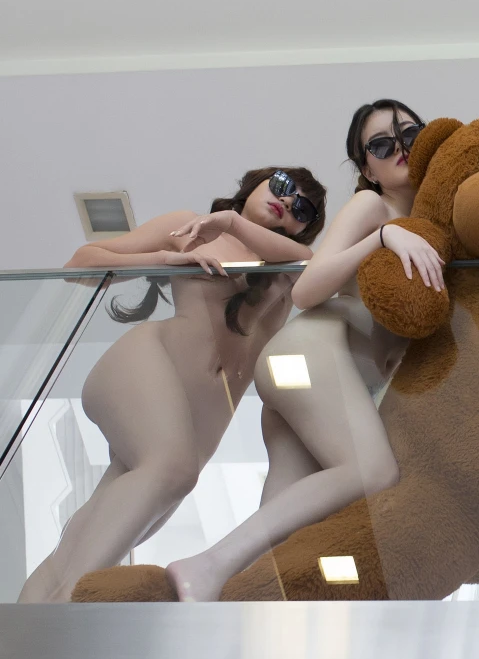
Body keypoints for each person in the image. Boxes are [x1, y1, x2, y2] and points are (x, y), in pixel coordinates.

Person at [165, 101, 446, 602]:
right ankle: (205, 566)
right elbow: (308, 289)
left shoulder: (438, 221)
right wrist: (383, 237)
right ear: (367, 169)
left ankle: (237, 596)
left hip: (325, 386)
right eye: (381, 144)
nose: (400, 147)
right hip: (309, 356)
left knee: (284, 531)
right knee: (373, 471)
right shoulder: (373, 208)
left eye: (409, 133)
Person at [17, 167, 327, 603]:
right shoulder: (189, 227)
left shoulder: (290, 268)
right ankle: (71, 605)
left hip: (202, 414)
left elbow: (311, 263)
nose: (288, 201)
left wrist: (232, 222)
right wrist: (165, 259)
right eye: (281, 185)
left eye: (303, 209)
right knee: (172, 471)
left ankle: (32, 619)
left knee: (98, 527)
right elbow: (79, 265)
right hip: (147, 366)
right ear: (255, 183)